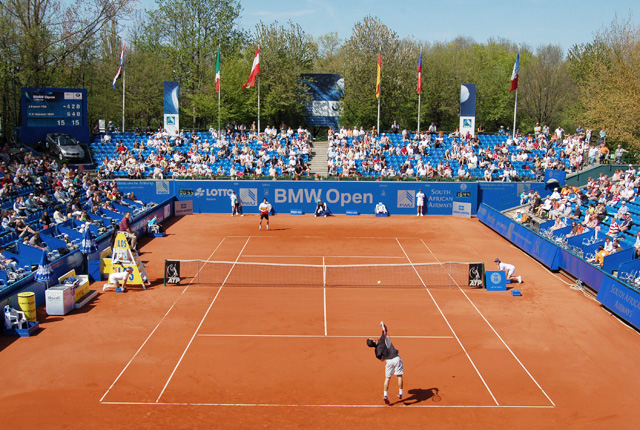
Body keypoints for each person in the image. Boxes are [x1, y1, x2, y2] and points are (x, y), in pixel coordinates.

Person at [367, 322, 404, 404]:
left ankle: (385, 395)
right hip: (396, 358)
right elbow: (385, 330)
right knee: (399, 376)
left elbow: (382, 359)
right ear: (373, 340)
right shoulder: (381, 340)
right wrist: (383, 325)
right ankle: (400, 392)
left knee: (387, 378)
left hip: (389, 361)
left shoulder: (377, 352)